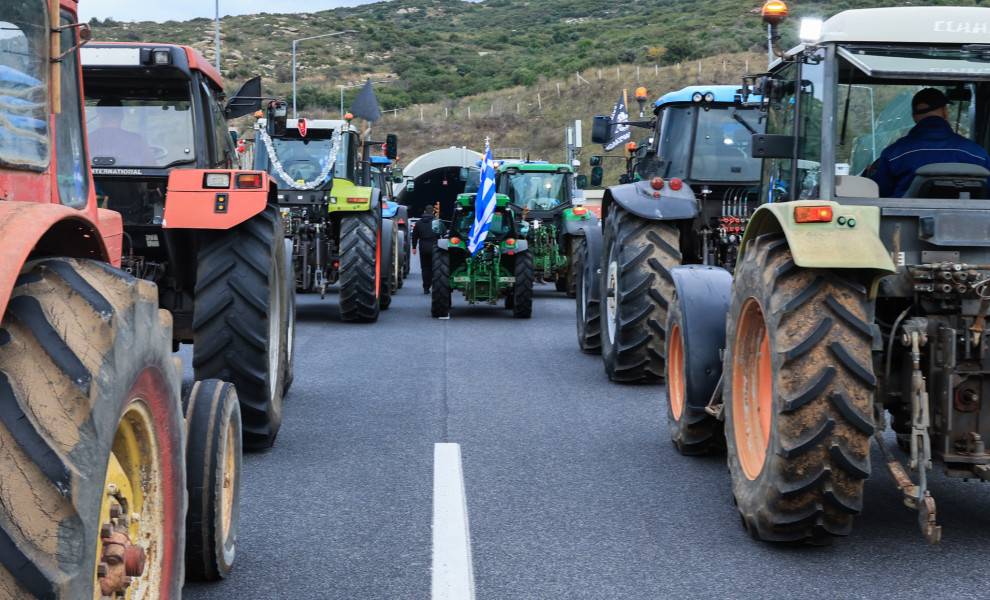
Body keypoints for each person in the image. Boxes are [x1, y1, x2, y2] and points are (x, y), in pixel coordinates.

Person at [869, 88, 990, 197]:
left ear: (914, 117)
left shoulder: (893, 154)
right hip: (970, 221)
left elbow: (878, 194)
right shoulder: (978, 154)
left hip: (906, 220)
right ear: (945, 112)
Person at [87, 99, 158, 167]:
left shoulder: (87, 140)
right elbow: (153, 167)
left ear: (100, 117)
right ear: (121, 117)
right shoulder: (136, 139)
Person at [411, 205, 440, 294]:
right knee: (436, 268)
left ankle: (426, 287)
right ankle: (435, 286)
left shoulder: (419, 223)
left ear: (424, 212)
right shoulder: (437, 222)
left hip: (423, 248)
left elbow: (414, 236)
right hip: (435, 248)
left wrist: (414, 247)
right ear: (433, 212)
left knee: (425, 268)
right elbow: (443, 232)